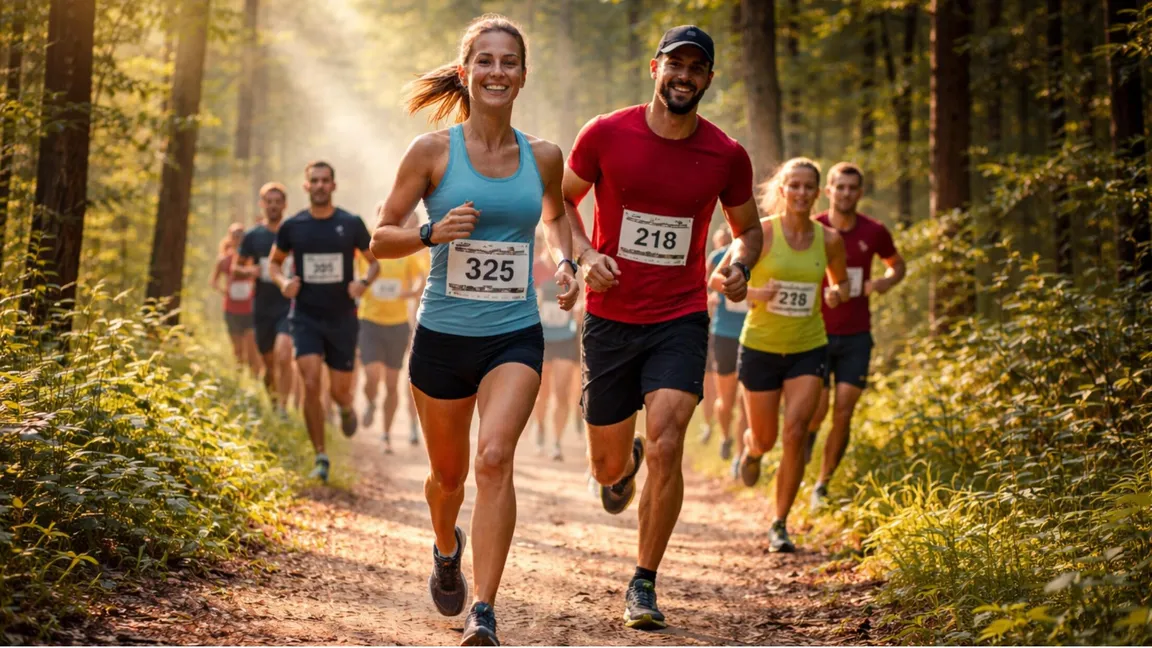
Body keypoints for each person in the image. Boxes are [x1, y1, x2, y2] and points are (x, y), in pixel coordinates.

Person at [370, 15, 577, 646]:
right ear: (466, 73)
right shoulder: (432, 152)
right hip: (442, 334)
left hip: (514, 333)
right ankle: (444, 545)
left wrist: (568, 261)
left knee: (494, 460)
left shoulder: (543, 156)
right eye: (484, 60)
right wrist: (433, 233)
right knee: (448, 479)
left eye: (508, 61)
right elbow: (379, 239)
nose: (496, 71)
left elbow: (556, 215)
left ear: (522, 75)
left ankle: (484, 608)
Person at [562, 25, 762, 630]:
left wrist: (738, 264)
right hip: (609, 319)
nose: (685, 75)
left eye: (697, 68)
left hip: (680, 316)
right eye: (676, 63)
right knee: (605, 465)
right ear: (655, 68)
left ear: (707, 79)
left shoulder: (726, 154)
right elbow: (562, 202)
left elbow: (748, 230)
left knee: (671, 440)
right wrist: (582, 257)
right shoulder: (604, 133)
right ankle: (623, 466)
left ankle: (643, 583)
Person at [712, 157, 849, 553]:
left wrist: (836, 293)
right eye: (795, 185)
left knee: (796, 432)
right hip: (760, 347)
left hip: (809, 346)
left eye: (810, 186)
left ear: (817, 192)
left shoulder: (831, 240)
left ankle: (779, 523)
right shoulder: (762, 234)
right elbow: (716, 278)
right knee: (767, 438)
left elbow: (837, 283)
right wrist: (754, 293)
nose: (802, 193)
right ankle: (750, 449)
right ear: (782, 190)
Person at [268, 161, 379, 483]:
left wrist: (363, 283)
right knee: (311, 381)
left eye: (324, 180)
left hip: (342, 318)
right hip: (305, 316)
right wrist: (282, 283)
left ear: (333, 185)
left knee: (339, 392)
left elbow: (374, 264)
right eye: (313, 180)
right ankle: (320, 455)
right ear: (306, 186)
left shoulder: (350, 223)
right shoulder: (293, 226)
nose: (319, 185)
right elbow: (275, 265)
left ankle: (345, 407)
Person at [806, 162, 906, 510]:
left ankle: (822, 484)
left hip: (856, 335)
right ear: (828, 191)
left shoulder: (874, 231)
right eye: (840, 187)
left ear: (860, 193)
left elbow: (897, 264)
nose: (846, 193)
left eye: (853, 188)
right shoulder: (813, 227)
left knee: (844, 411)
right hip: (815, 332)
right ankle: (807, 439)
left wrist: (882, 282)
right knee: (816, 411)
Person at [358, 209, 428, 454]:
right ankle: (369, 400)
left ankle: (386, 434)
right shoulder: (366, 251)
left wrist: (412, 292)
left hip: (398, 324)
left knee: (391, 383)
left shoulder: (404, 252)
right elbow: (355, 274)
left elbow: (421, 277)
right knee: (372, 376)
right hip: (370, 321)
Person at [233, 183, 296, 412]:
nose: (273, 206)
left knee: (284, 353)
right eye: (269, 202)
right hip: (262, 305)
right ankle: (273, 403)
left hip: (288, 304)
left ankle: (284, 407)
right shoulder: (253, 235)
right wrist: (251, 271)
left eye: (278, 202)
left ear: (284, 204)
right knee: (269, 364)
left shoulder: (293, 231)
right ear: (263, 205)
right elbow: (236, 268)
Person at [531, 231, 580, 461]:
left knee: (561, 391)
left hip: (566, 337)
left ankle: (557, 442)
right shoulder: (535, 268)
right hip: (541, 338)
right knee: (542, 392)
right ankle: (540, 426)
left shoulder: (574, 268)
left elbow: (585, 296)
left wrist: (580, 308)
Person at [705, 226, 749, 477]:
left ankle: (739, 457)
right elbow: (708, 286)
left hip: (753, 334)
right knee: (727, 400)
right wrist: (711, 298)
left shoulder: (762, 255)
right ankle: (725, 435)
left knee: (746, 401)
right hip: (724, 334)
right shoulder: (719, 256)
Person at [212, 223, 260, 373]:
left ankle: (256, 381)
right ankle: (240, 381)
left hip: (249, 309)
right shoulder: (223, 260)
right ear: (229, 237)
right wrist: (224, 291)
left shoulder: (251, 258)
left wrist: (253, 285)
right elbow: (213, 281)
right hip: (231, 309)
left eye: (241, 235)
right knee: (238, 350)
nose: (238, 238)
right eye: (235, 235)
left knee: (252, 350)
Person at [698, 228, 730, 446]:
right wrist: (709, 301)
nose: (725, 245)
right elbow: (703, 285)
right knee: (709, 384)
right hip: (711, 330)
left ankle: (721, 429)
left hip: (735, 330)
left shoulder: (750, 256)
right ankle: (708, 424)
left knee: (726, 389)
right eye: (722, 241)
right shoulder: (716, 258)